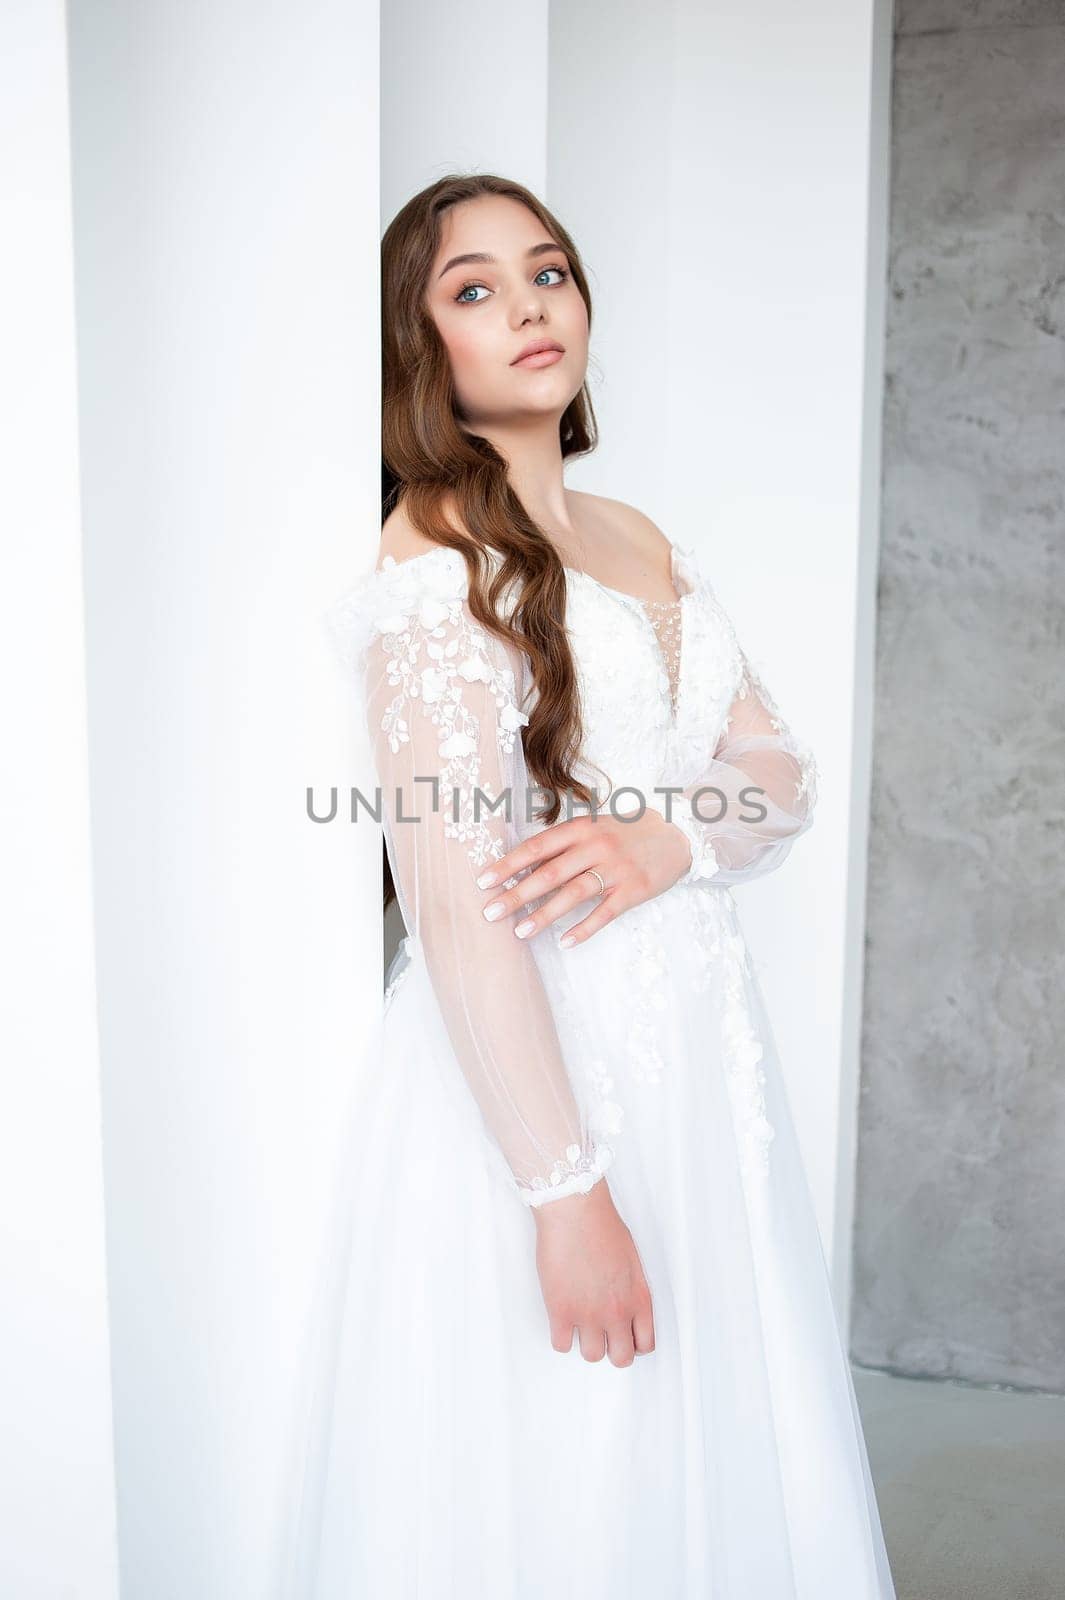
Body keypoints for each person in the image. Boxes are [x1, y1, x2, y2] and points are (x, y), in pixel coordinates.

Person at [290, 173, 897, 1597]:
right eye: (473, 288)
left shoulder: (639, 535)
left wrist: (663, 837)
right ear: (419, 346)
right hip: (545, 1071)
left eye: (546, 271)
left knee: (705, 1416)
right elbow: (451, 904)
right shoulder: (433, 552)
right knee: (573, 1447)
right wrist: (563, 1197)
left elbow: (779, 770)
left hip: (695, 1055)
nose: (526, 306)